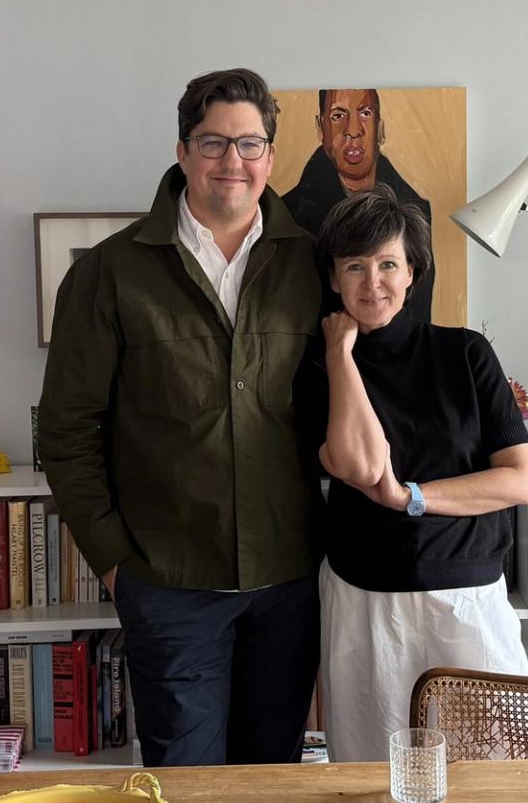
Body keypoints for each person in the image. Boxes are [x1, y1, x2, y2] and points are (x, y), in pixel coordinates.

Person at [39, 68, 325, 766]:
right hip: (168, 586)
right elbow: (66, 431)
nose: (233, 161)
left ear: (272, 156)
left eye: (250, 144)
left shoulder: (315, 264)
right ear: (182, 151)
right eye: (214, 142)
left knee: (272, 780)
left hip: (288, 582)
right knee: (186, 787)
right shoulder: (109, 274)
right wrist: (113, 562)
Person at [296, 185, 528, 762]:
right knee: (373, 780)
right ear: (333, 278)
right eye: (354, 265)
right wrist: (339, 355)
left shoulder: (465, 354)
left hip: (469, 599)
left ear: (412, 273)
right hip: (365, 603)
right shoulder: (315, 369)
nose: (371, 281)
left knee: (499, 771)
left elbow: (518, 480)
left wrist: (412, 497)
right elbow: (359, 465)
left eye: (387, 264)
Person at [281, 89, 435, 321]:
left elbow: (420, 314)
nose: (353, 131)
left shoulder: (415, 212)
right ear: (320, 128)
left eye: (365, 113)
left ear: (380, 129)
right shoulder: (288, 214)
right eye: (338, 116)